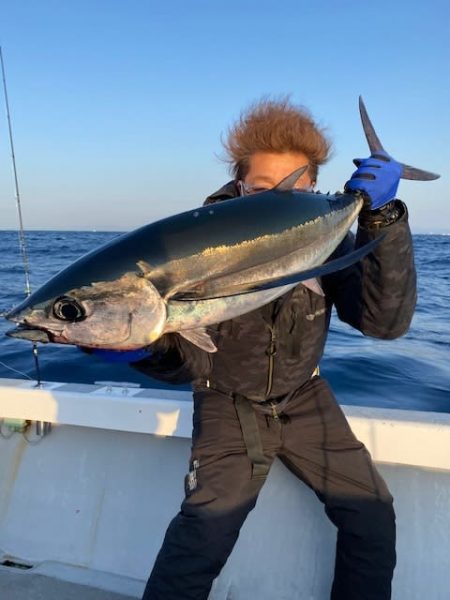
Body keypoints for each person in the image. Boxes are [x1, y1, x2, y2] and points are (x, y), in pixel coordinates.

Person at [99, 98, 416, 599]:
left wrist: (383, 220)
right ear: (239, 183)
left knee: (373, 516)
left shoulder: (326, 235)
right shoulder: (198, 245)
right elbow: (195, 361)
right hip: (227, 399)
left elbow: (384, 322)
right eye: (264, 187)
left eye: (296, 187)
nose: (280, 199)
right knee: (202, 536)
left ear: (312, 187)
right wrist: (144, 349)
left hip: (305, 397)